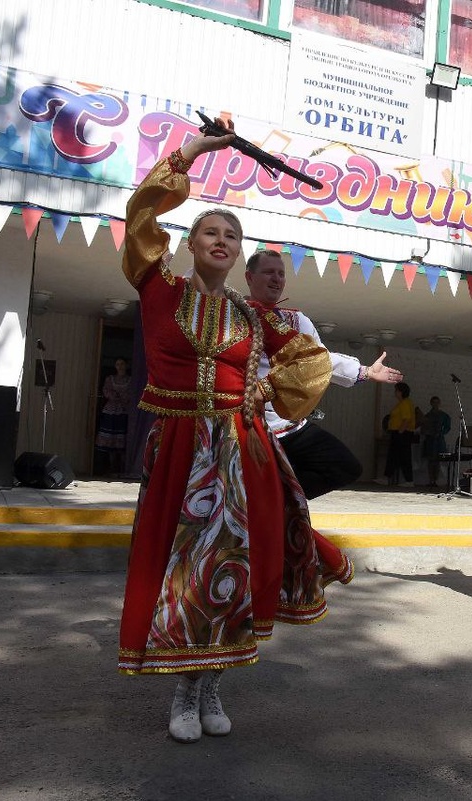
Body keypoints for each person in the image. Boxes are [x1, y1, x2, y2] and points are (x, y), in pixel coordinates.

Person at [116, 119, 353, 744]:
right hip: (179, 447)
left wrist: (263, 392)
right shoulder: (157, 287)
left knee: (234, 567)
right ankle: (182, 690)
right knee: (184, 568)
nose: (221, 241)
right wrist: (193, 151)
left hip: (241, 448)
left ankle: (212, 684)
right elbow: (140, 216)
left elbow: (310, 360)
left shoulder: (253, 315)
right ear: (189, 244)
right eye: (210, 232)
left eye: (232, 235)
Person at [244, 250, 403, 498]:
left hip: (289, 425)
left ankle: (278, 501)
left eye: (281, 274)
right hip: (245, 423)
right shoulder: (233, 315)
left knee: (345, 466)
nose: (276, 279)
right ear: (249, 277)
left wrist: (366, 371)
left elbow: (320, 360)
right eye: (268, 272)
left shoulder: (296, 321)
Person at [95, 358, 132, 476]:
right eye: (117, 364)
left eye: (122, 364)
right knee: (110, 440)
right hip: (110, 412)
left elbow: (131, 393)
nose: (120, 366)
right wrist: (115, 396)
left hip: (124, 412)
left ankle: (122, 468)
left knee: (121, 439)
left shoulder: (130, 380)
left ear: (126, 365)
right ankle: (112, 467)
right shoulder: (110, 379)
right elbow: (106, 391)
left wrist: (123, 397)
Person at [378, 381, 416, 486]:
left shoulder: (405, 403)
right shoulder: (402, 403)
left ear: (401, 392)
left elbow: (406, 419)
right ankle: (387, 477)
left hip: (402, 433)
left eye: (396, 390)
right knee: (394, 456)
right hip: (400, 433)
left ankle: (409, 480)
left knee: (403, 456)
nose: (395, 392)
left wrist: (400, 431)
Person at [421, 395, 452, 487]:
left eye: (437, 402)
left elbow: (447, 427)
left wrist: (441, 433)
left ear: (439, 403)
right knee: (430, 460)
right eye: (434, 402)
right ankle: (431, 480)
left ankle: (436, 480)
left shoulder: (444, 415)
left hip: (439, 440)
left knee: (438, 460)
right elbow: (423, 428)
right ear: (431, 403)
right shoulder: (427, 416)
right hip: (430, 440)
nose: (435, 404)